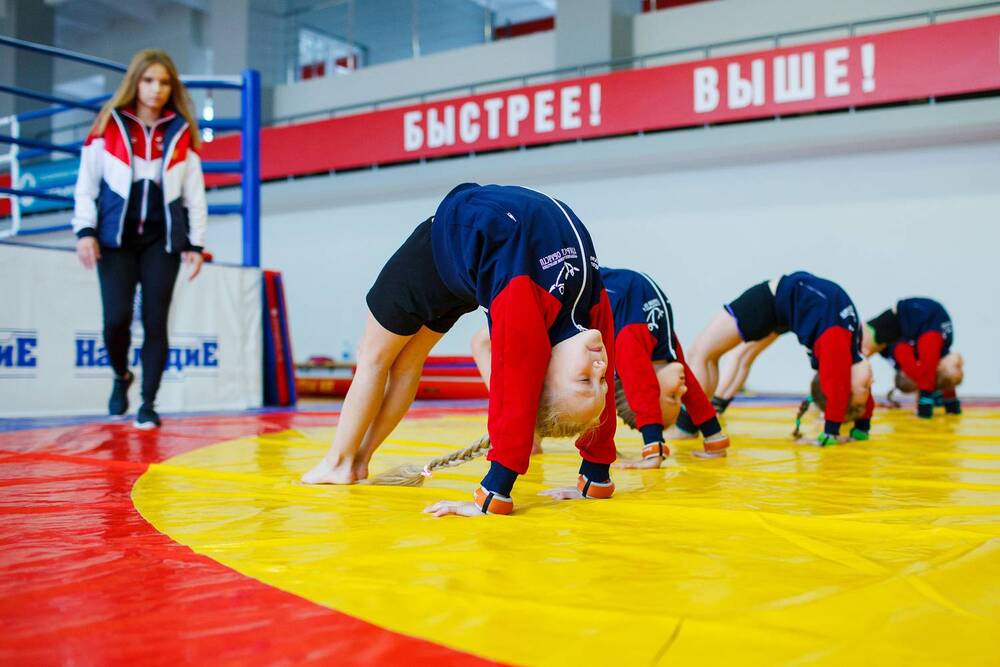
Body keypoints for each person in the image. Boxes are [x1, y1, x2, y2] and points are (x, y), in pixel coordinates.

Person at [301, 183, 618, 516]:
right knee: (408, 362)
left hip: (438, 252)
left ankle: (339, 463)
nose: (599, 369)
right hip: (468, 269)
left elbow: (515, 392)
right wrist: (596, 474)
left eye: (584, 380)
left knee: (373, 358)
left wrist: (494, 494)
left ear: (546, 369)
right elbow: (605, 399)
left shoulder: (525, 305)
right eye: (601, 382)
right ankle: (359, 460)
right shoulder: (588, 312)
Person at [72, 49, 206, 429]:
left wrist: (195, 244)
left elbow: (194, 194)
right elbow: (86, 185)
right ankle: (121, 376)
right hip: (115, 239)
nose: (156, 89)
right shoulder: (108, 124)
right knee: (116, 319)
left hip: (161, 242)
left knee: (155, 321)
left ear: (171, 87)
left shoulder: (181, 131)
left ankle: (148, 402)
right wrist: (85, 232)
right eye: (149, 81)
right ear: (136, 82)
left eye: (164, 82)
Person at [686, 272, 874, 446]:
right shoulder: (851, 349)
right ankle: (716, 407)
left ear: (845, 379)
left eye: (865, 386)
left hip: (773, 301)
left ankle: (686, 427)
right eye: (868, 386)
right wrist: (861, 428)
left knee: (701, 353)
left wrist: (829, 434)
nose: (871, 380)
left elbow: (836, 387)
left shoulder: (837, 346)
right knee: (742, 356)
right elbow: (845, 391)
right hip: (785, 311)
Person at [863, 297, 963, 418]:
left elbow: (927, 374)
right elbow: (927, 374)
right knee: (859, 352)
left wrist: (946, 403)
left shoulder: (924, 349)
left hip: (908, 320)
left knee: (858, 353)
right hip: (904, 320)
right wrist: (927, 407)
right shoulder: (931, 346)